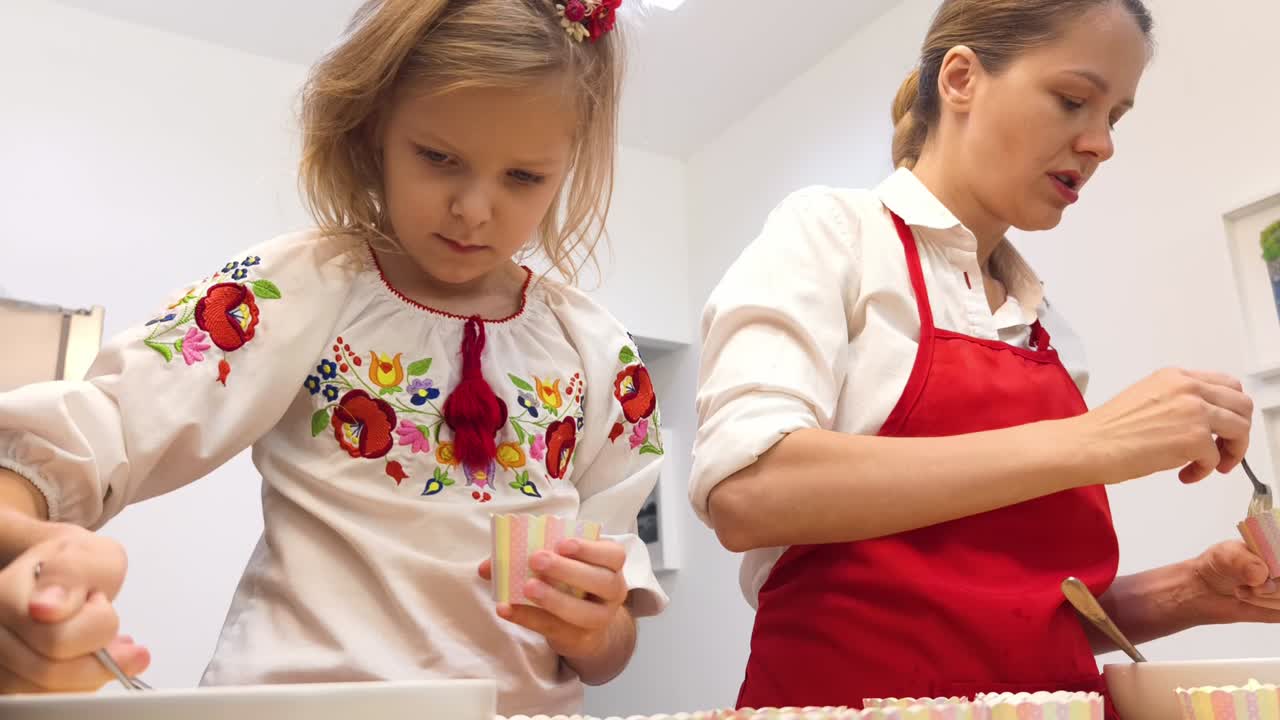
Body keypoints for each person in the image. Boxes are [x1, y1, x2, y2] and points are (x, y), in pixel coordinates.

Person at [0, 0, 667, 714]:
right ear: (373, 130)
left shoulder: (598, 352)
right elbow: (109, 421)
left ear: (567, 170)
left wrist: (597, 630)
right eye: (439, 158)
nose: (474, 208)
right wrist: (23, 530)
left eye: (523, 178)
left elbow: (612, 637)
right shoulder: (302, 285)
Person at [690, 0, 1280, 713]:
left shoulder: (1047, 331)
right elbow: (748, 492)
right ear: (962, 78)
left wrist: (1191, 591)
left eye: (1115, 117)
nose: (1101, 144)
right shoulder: (834, 238)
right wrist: (1094, 441)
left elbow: (1020, 615)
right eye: (1073, 100)